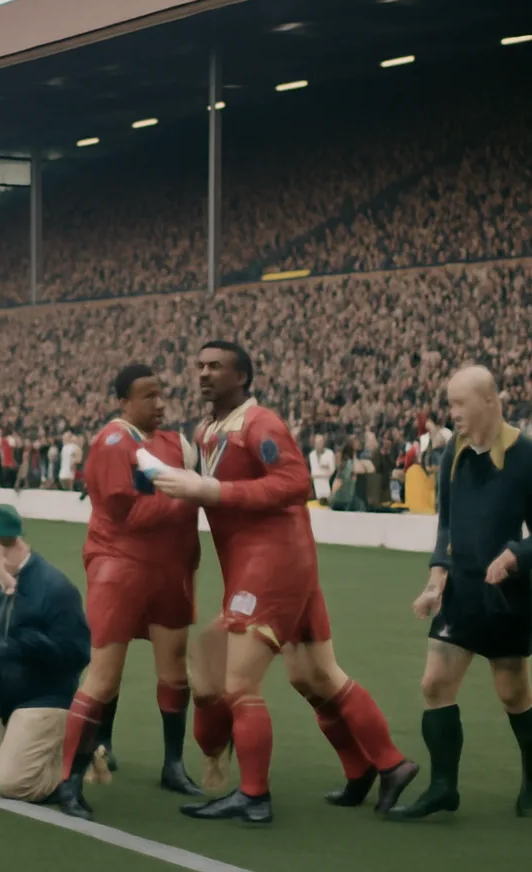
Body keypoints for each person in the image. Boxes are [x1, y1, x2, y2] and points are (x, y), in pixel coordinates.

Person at [152, 341, 416, 824]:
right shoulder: (209, 430)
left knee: (236, 683)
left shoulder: (261, 424)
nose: (205, 374)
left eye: (217, 367)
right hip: (272, 565)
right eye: (201, 366)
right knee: (313, 675)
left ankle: (254, 796)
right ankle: (382, 766)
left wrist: (211, 489)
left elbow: (295, 483)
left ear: (244, 378)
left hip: (271, 565)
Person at [387, 365, 532, 821]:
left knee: (513, 693)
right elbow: (447, 523)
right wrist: (436, 580)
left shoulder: (528, 455)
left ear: (490, 401)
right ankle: (443, 788)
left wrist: (516, 555)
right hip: (461, 592)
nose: (451, 414)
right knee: (435, 684)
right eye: (449, 404)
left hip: (505, 597)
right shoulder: (452, 449)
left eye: (458, 404)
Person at [57, 364, 202, 821]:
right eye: (148, 396)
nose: (159, 404)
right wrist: (186, 492)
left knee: (175, 669)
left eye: (162, 395)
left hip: (169, 571)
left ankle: (173, 765)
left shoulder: (175, 444)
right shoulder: (113, 442)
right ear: (124, 401)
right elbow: (127, 516)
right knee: (103, 675)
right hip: (119, 569)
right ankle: (70, 779)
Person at [0, 504, 90, 804]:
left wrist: (22, 643)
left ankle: (72, 765)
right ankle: (61, 748)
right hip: (5, 697)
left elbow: (77, 652)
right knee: (13, 769)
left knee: (13, 783)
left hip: (46, 695)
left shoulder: (54, 587)